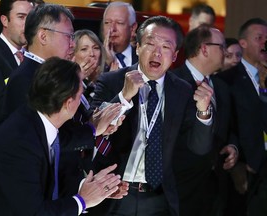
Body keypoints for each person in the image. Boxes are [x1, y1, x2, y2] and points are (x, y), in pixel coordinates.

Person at [90, 15, 214, 216]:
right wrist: (124, 96)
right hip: (113, 193)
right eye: (150, 43)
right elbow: (92, 129)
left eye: (166, 47)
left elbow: (199, 148)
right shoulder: (112, 81)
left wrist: (203, 111)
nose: (157, 52)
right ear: (137, 47)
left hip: (159, 198)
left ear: (174, 56)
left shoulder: (183, 90)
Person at [0, 57, 128, 216]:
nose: (81, 102)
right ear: (68, 103)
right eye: (80, 94)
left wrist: (91, 188)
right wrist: (82, 200)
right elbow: (35, 212)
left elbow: (46, 179)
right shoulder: (21, 144)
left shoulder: (37, 121)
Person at [173, 25, 238, 216]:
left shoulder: (221, 86)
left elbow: (230, 127)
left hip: (216, 188)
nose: (225, 52)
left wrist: (233, 146)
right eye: (222, 46)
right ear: (204, 49)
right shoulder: (173, 82)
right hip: (181, 189)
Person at [218, 18, 267, 216]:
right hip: (245, 170)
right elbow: (226, 125)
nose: (265, 42)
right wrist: (236, 164)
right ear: (243, 43)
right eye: (260, 38)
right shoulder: (226, 80)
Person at [0, 0, 34, 146]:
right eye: (21, 17)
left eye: (31, 18)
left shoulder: (29, 58)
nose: (28, 24)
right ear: (5, 20)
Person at [102, 1, 138, 69]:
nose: (112, 29)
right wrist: (108, 64)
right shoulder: (95, 58)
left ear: (133, 28)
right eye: (107, 23)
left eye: (119, 23)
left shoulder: (143, 57)